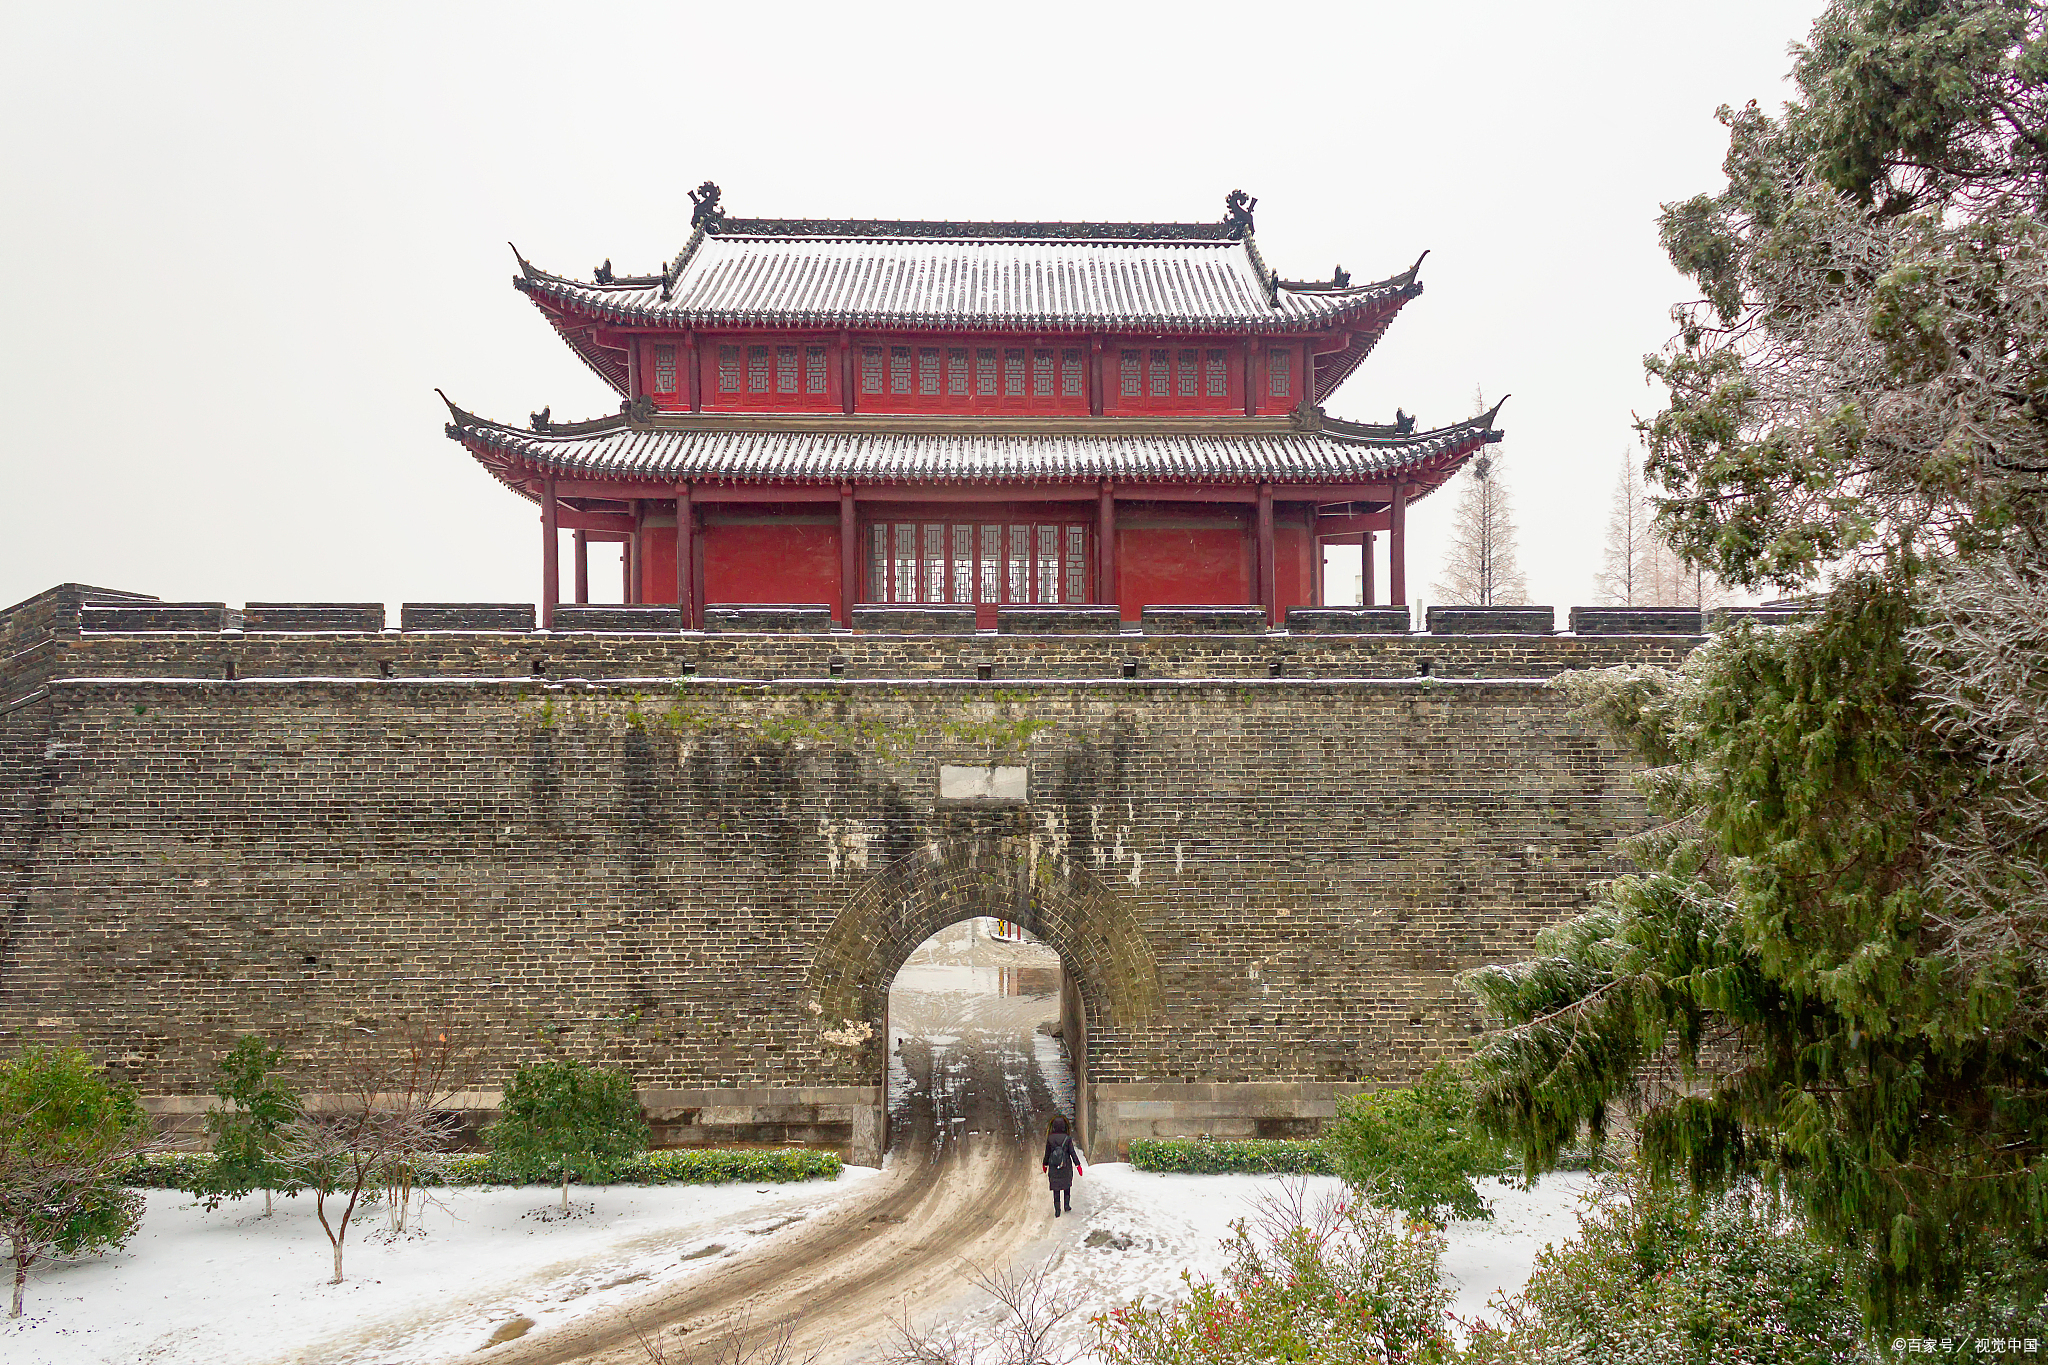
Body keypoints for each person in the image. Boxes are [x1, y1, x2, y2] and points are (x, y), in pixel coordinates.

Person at [1042, 1114, 1083, 1216]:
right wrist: (1078, 1165)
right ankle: (1066, 1205)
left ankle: (1057, 1210)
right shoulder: (1067, 1138)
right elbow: (1072, 1152)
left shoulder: (1050, 1138)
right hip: (1065, 1166)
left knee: (1056, 1188)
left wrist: (1045, 1164)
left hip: (1054, 1166)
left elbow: (1047, 1153)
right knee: (1066, 1186)